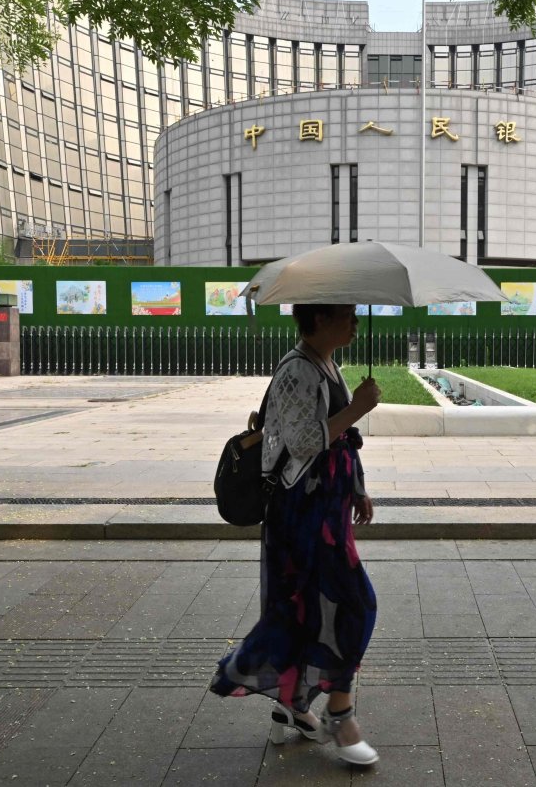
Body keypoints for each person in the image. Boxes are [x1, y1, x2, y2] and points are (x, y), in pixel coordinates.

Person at [209, 303, 384, 767]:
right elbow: (307, 442)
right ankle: (339, 712)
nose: (355, 322)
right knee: (354, 605)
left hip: (327, 509)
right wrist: (358, 408)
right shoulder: (295, 370)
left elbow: (343, 440)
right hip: (302, 513)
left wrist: (358, 488)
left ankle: (291, 709)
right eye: (347, 314)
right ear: (320, 318)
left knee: (305, 610)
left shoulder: (327, 364)